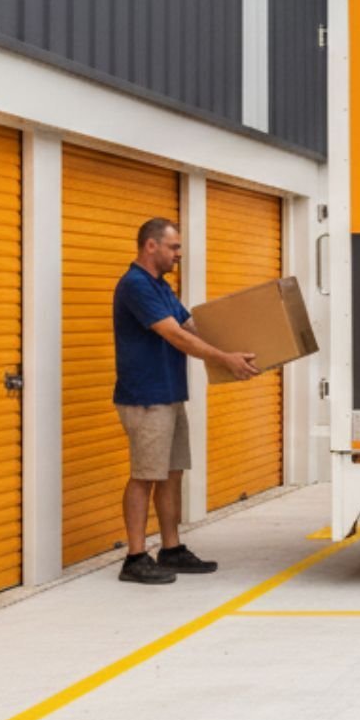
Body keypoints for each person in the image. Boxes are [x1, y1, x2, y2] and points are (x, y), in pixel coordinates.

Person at [112, 217, 260, 584]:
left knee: (171, 475)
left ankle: (171, 548)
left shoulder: (161, 287)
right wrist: (222, 359)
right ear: (151, 246)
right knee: (145, 476)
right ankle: (134, 557)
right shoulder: (135, 285)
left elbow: (192, 326)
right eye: (174, 247)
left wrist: (247, 341)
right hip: (145, 397)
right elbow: (175, 336)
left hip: (169, 393)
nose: (179, 254)